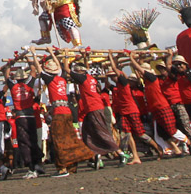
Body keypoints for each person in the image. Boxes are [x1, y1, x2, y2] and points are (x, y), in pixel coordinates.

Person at [28, 47, 93, 177]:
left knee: (58, 140)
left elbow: (39, 69)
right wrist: (51, 52)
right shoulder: (62, 79)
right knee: (70, 138)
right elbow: (60, 66)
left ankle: (62, 168)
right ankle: (72, 165)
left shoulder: (49, 79)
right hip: (68, 112)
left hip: (58, 113)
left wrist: (34, 53)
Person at [64, 51, 124, 169]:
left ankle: (121, 153)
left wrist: (66, 55)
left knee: (101, 133)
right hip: (93, 109)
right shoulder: (90, 77)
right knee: (88, 135)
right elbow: (86, 68)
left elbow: (66, 69)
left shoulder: (82, 78)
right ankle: (97, 157)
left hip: (94, 108)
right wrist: (85, 57)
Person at [129, 52, 191, 156]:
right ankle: (176, 150)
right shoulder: (146, 81)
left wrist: (131, 58)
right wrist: (139, 59)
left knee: (171, 130)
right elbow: (138, 71)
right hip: (154, 109)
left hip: (162, 107)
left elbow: (139, 69)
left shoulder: (152, 77)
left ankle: (188, 142)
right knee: (160, 133)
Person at [107, 52, 163, 163]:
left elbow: (115, 68)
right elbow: (112, 73)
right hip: (123, 111)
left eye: (113, 76)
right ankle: (136, 156)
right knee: (128, 134)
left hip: (131, 110)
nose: (112, 78)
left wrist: (110, 56)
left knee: (140, 133)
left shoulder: (123, 81)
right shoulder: (117, 85)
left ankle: (158, 148)